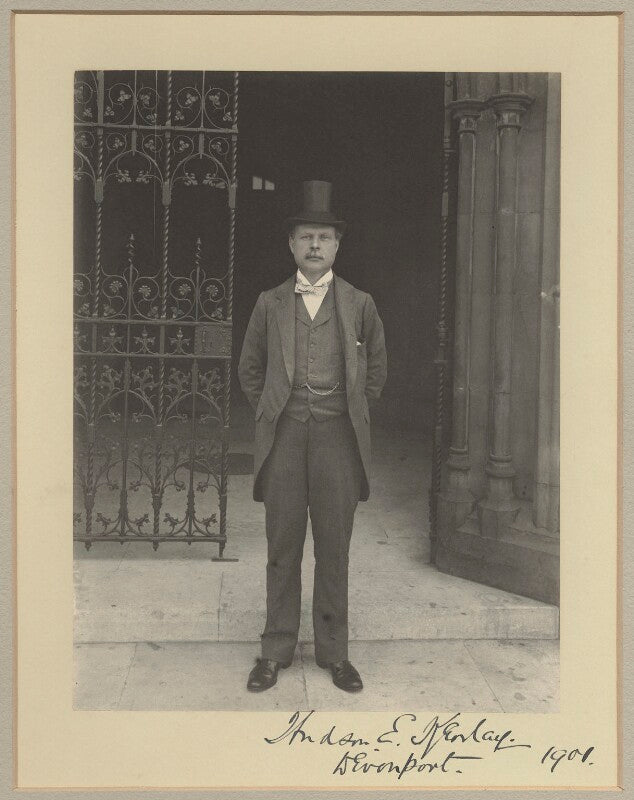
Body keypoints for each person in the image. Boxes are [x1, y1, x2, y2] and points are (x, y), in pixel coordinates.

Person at [238, 180, 387, 693]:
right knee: (282, 545)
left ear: (338, 245)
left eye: (324, 237)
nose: (315, 246)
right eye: (306, 237)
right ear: (291, 244)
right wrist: (273, 410)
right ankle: (275, 650)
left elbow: (376, 372)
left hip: (337, 439)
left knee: (333, 546)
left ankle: (335, 654)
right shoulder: (270, 303)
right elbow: (250, 368)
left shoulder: (360, 303)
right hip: (284, 436)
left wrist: (348, 411)